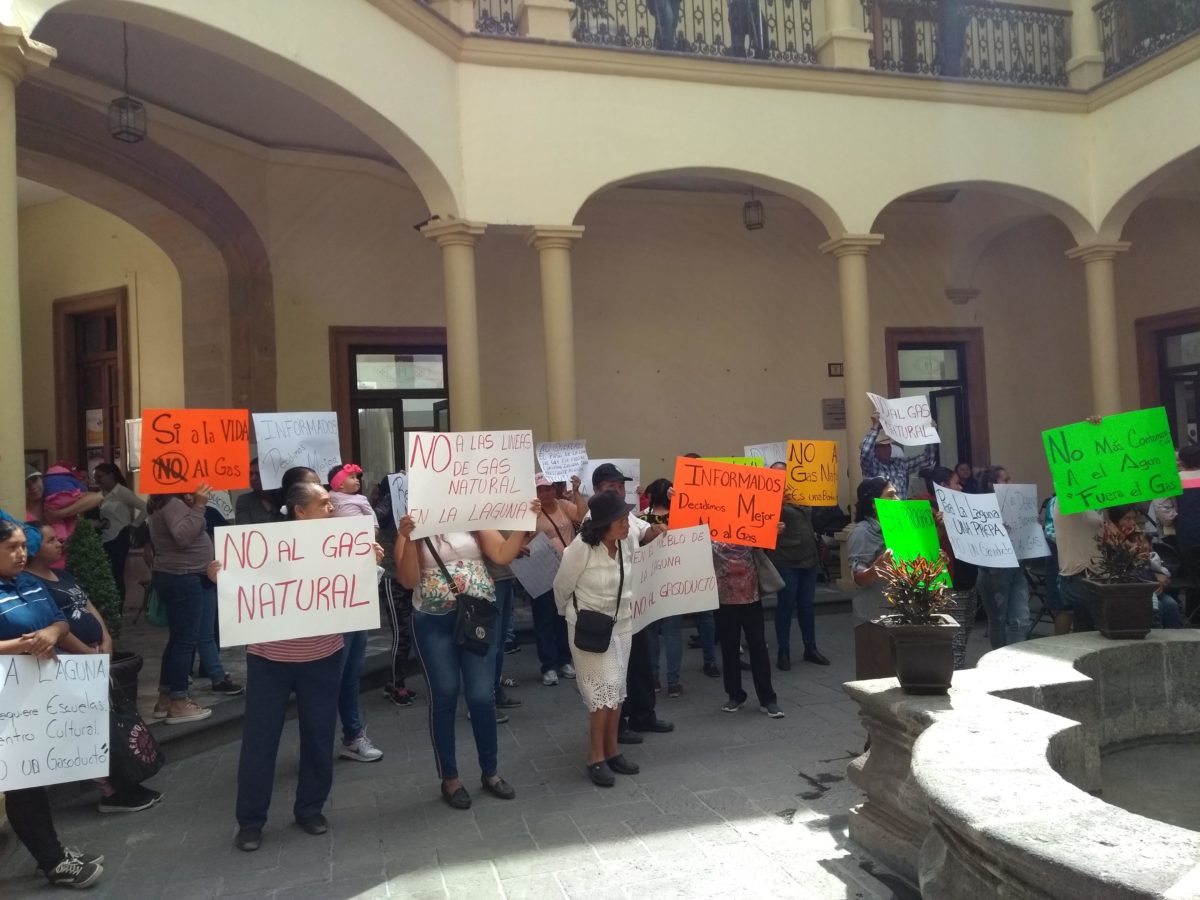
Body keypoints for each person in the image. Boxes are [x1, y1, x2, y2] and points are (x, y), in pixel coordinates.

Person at [227, 481, 381, 852]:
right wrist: (223, 575)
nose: (332, 509)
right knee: (260, 741)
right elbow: (243, 585)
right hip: (269, 659)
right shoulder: (265, 546)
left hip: (323, 656)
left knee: (318, 735)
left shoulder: (341, 546)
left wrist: (369, 563)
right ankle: (251, 821)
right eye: (325, 504)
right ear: (300, 511)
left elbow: (356, 592)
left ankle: (310, 808)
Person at [396, 506, 539, 810]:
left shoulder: (472, 517)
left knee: (481, 696)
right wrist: (408, 538)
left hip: (476, 619)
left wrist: (524, 522)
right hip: (433, 623)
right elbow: (408, 581)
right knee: (444, 696)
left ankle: (491, 772)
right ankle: (450, 777)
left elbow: (501, 555)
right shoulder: (414, 526)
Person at [26, 525, 163, 814]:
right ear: (34, 548)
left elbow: (87, 605)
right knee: (85, 729)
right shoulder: (31, 583)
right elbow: (55, 624)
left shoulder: (62, 575)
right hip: (71, 663)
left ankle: (125, 781)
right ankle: (110, 792)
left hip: (95, 655)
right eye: (50, 540)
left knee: (106, 724)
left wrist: (106, 637)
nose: (59, 542)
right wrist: (87, 652)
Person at [0, 518, 104, 887]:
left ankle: (52, 853)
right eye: (11, 547)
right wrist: (23, 645)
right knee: (22, 781)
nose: (21, 553)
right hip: (6, 704)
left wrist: (51, 633)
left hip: (36, 699)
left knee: (29, 778)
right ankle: (53, 860)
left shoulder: (28, 580)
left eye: (22, 545)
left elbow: (59, 621)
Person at [553, 491, 643, 786]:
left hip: (622, 625)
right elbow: (561, 587)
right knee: (602, 693)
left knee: (617, 690)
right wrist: (571, 615)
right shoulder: (581, 548)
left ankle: (612, 750)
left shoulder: (626, 540)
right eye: (620, 519)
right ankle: (595, 756)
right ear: (604, 524)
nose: (626, 523)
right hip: (589, 628)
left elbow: (649, 529)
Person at [589, 463, 673, 743]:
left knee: (642, 661)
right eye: (612, 487)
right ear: (598, 490)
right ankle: (619, 725)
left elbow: (645, 534)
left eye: (621, 486)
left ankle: (644, 715)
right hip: (610, 609)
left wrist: (658, 532)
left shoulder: (628, 515)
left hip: (636, 602)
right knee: (616, 667)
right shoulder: (593, 520)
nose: (619, 491)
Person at [148, 484, 242, 725]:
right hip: (183, 578)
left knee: (179, 639)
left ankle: (166, 697)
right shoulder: (172, 503)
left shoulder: (169, 502)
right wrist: (200, 505)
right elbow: (182, 536)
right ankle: (179, 702)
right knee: (185, 641)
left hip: (183, 575)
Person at [326, 462, 383, 762]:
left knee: (350, 674)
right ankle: (320, 742)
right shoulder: (323, 521)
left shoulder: (359, 505)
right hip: (332, 608)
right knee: (331, 677)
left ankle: (352, 734)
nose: (327, 505)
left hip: (355, 598)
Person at [712, 537, 783, 718]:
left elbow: (765, 543)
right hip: (723, 597)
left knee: (758, 645)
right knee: (729, 647)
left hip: (751, 596)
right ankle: (735, 694)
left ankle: (767, 698)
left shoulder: (750, 524)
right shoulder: (710, 526)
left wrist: (773, 531)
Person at [767, 463, 827, 670]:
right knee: (786, 605)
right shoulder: (767, 499)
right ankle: (783, 651)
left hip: (809, 559)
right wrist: (774, 504)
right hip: (786, 559)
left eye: (784, 474)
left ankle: (810, 647)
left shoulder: (802, 494)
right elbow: (760, 524)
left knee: (807, 606)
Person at [370, 475, 417, 708]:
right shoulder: (387, 503)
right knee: (401, 632)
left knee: (407, 632)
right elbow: (371, 522)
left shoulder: (411, 501)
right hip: (391, 576)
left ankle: (396, 681)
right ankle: (396, 684)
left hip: (409, 572)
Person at [639, 478, 686, 693]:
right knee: (673, 633)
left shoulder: (641, 518)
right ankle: (673, 682)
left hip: (648, 581)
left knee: (650, 632)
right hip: (673, 580)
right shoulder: (679, 517)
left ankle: (653, 678)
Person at [974, 466, 1029, 649]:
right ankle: (1000, 661)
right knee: (998, 620)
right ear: (992, 484)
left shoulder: (1017, 504)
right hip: (994, 572)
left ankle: (1016, 661)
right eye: (1005, 480)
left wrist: (1031, 524)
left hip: (1017, 568)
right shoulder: (981, 508)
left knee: (1021, 620)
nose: (1010, 483)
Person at [1103, 505, 1183, 629]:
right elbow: (1120, 570)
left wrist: (1157, 575)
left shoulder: (1139, 536)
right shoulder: (1112, 540)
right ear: (1117, 520)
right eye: (1127, 518)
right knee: (1158, 608)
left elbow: (1148, 561)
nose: (1132, 522)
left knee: (1171, 605)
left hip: (1151, 585)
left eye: (1133, 518)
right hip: (1131, 590)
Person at [531, 473, 576, 687]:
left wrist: (577, 491)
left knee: (564, 616)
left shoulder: (564, 505)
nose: (546, 493)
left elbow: (583, 515)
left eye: (549, 488)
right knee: (544, 618)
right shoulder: (530, 512)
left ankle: (565, 661)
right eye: (541, 489)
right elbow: (520, 538)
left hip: (566, 569)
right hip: (541, 571)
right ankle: (549, 666)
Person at [92, 462, 147, 608]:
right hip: (105, 537)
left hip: (119, 537)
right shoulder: (101, 495)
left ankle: (118, 608)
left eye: (100, 477)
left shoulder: (122, 492)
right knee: (107, 575)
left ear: (111, 475)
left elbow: (145, 507)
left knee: (116, 573)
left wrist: (133, 525)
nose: (97, 481)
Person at [846, 478, 899, 621]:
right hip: (876, 618)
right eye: (890, 495)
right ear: (874, 504)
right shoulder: (861, 533)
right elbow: (858, 579)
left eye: (896, 494)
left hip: (902, 613)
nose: (897, 500)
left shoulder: (901, 530)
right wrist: (876, 569)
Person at [859, 412, 936, 500]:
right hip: (881, 512)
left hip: (900, 511)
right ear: (875, 449)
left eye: (888, 445)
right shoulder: (871, 466)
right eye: (882, 446)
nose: (887, 448)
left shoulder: (900, 464)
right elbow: (865, 452)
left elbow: (927, 459)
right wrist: (875, 426)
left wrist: (931, 433)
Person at [234, 458, 279, 525]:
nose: (253, 478)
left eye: (258, 474)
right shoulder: (244, 501)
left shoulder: (285, 497)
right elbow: (245, 530)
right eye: (251, 474)